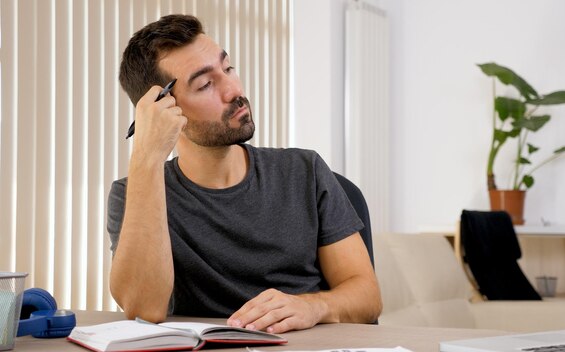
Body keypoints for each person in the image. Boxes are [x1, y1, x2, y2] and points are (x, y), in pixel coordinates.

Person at [107, 14, 382, 334]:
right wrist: (147, 155)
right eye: (206, 84)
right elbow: (144, 308)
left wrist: (313, 306)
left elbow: (367, 297)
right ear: (162, 109)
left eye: (228, 68)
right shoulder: (133, 192)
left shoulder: (305, 171)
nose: (233, 89)